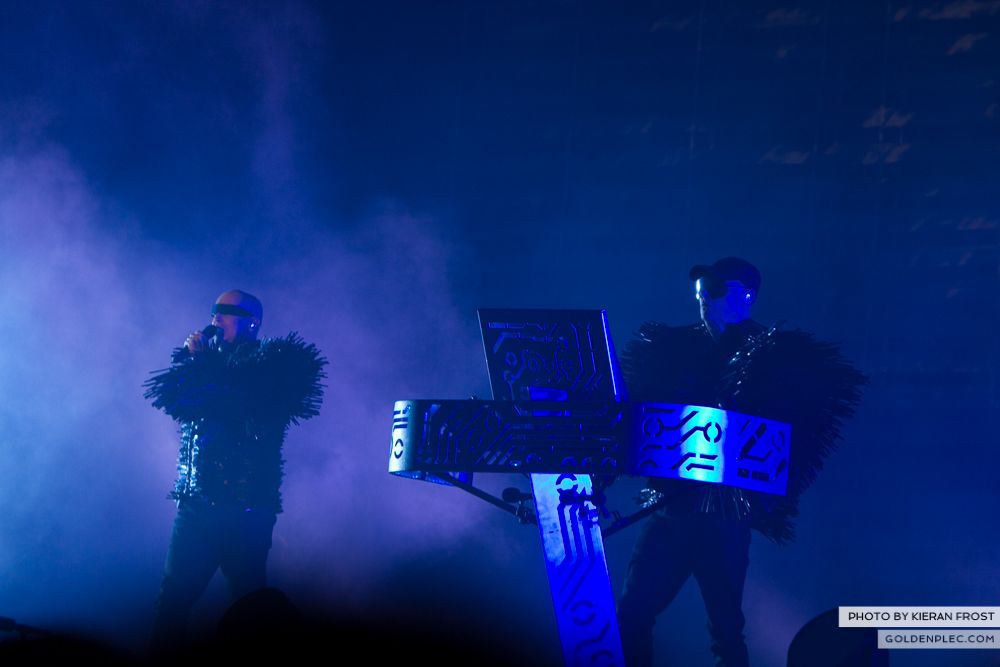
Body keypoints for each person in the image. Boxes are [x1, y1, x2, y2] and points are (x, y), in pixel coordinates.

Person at [617, 258, 865, 667]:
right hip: (669, 510)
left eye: (719, 290)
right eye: (705, 292)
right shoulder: (672, 347)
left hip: (725, 520)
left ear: (746, 297)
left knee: (727, 630)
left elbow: (798, 432)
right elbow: (635, 411)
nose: (706, 301)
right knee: (632, 614)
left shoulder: (772, 357)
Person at [144, 289, 326, 652]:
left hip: (246, 511)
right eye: (214, 311)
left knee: (248, 610)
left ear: (252, 322)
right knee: (172, 602)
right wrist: (195, 362)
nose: (215, 318)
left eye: (226, 312)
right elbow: (181, 401)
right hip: (195, 508)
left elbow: (242, 403)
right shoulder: (207, 365)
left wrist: (207, 362)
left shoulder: (269, 365)